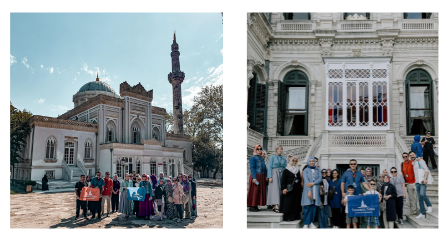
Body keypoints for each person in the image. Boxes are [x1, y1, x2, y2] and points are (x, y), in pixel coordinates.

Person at [409, 151, 433, 218]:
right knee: (419, 198)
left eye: (413, 154)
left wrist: (425, 178)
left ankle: (429, 206)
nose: (412, 156)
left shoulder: (420, 160)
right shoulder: (413, 162)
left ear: (415, 154)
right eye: (410, 155)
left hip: (422, 180)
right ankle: (422, 213)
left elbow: (426, 169)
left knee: (422, 194)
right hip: (417, 182)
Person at [301, 157, 322, 229]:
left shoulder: (318, 169)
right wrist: (309, 191)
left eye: (313, 161)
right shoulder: (306, 170)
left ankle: (311, 223)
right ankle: (306, 223)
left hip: (315, 189)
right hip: (308, 190)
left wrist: (313, 183)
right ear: (308, 162)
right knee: (307, 206)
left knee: (313, 207)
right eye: (310, 161)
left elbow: (320, 179)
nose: (312, 162)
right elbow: (306, 181)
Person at [279, 156, 301, 221]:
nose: (294, 162)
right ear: (291, 161)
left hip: (296, 189)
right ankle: (288, 217)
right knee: (289, 202)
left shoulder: (297, 169)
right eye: (293, 161)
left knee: (295, 202)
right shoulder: (286, 169)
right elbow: (283, 179)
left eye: (296, 161)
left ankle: (295, 216)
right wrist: (284, 188)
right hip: (289, 189)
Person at [247, 144, 267, 212]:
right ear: (255, 149)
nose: (259, 150)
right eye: (257, 149)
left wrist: (266, 176)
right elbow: (252, 168)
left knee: (259, 192)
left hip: (262, 176)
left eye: (260, 149)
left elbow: (264, 168)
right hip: (256, 176)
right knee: (254, 191)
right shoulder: (253, 158)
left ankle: (256, 205)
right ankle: (252, 206)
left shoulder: (261, 158)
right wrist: (254, 177)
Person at [267, 145, 287, 213]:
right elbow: (269, 166)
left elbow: (285, 167)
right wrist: (269, 176)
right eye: (278, 149)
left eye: (281, 149)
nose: (280, 150)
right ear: (276, 150)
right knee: (275, 190)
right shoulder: (272, 157)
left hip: (282, 173)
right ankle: (275, 205)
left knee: (280, 189)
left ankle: (278, 204)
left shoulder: (284, 158)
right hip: (274, 173)